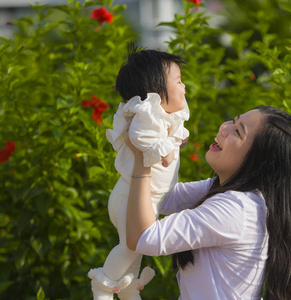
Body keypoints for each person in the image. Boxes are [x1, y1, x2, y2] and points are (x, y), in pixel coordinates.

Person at [125, 106, 291, 299]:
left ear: (257, 162)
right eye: (234, 121)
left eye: (238, 132)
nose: (225, 128)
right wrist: (167, 146)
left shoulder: (237, 209)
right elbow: (162, 198)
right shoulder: (236, 193)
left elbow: (142, 237)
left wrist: (142, 160)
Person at [88, 46, 190, 300]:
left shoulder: (161, 115)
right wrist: (165, 149)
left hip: (142, 200)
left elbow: (168, 136)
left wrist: (174, 141)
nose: (184, 86)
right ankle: (102, 287)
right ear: (156, 92)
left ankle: (129, 293)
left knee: (135, 252)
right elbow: (140, 138)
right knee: (130, 247)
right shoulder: (145, 113)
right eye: (178, 81)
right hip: (129, 199)